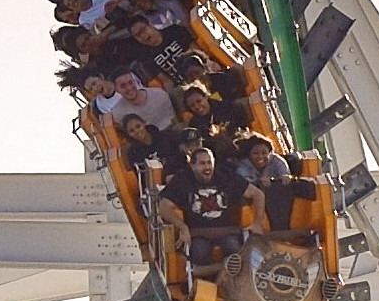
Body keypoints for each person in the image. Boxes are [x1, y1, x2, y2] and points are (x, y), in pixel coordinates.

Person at [157, 144, 263, 275]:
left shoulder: (226, 176)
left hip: (227, 231)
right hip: (198, 233)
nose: (207, 167)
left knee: (234, 249)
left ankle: (231, 282)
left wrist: (257, 223)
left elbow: (258, 194)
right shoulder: (182, 180)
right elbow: (163, 207)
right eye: (202, 163)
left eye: (209, 163)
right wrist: (182, 227)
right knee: (199, 252)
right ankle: (205, 282)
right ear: (192, 166)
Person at [93, 70, 175, 130]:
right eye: (123, 86)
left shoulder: (159, 94)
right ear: (117, 89)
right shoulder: (118, 114)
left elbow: (175, 120)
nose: (129, 88)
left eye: (130, 82)